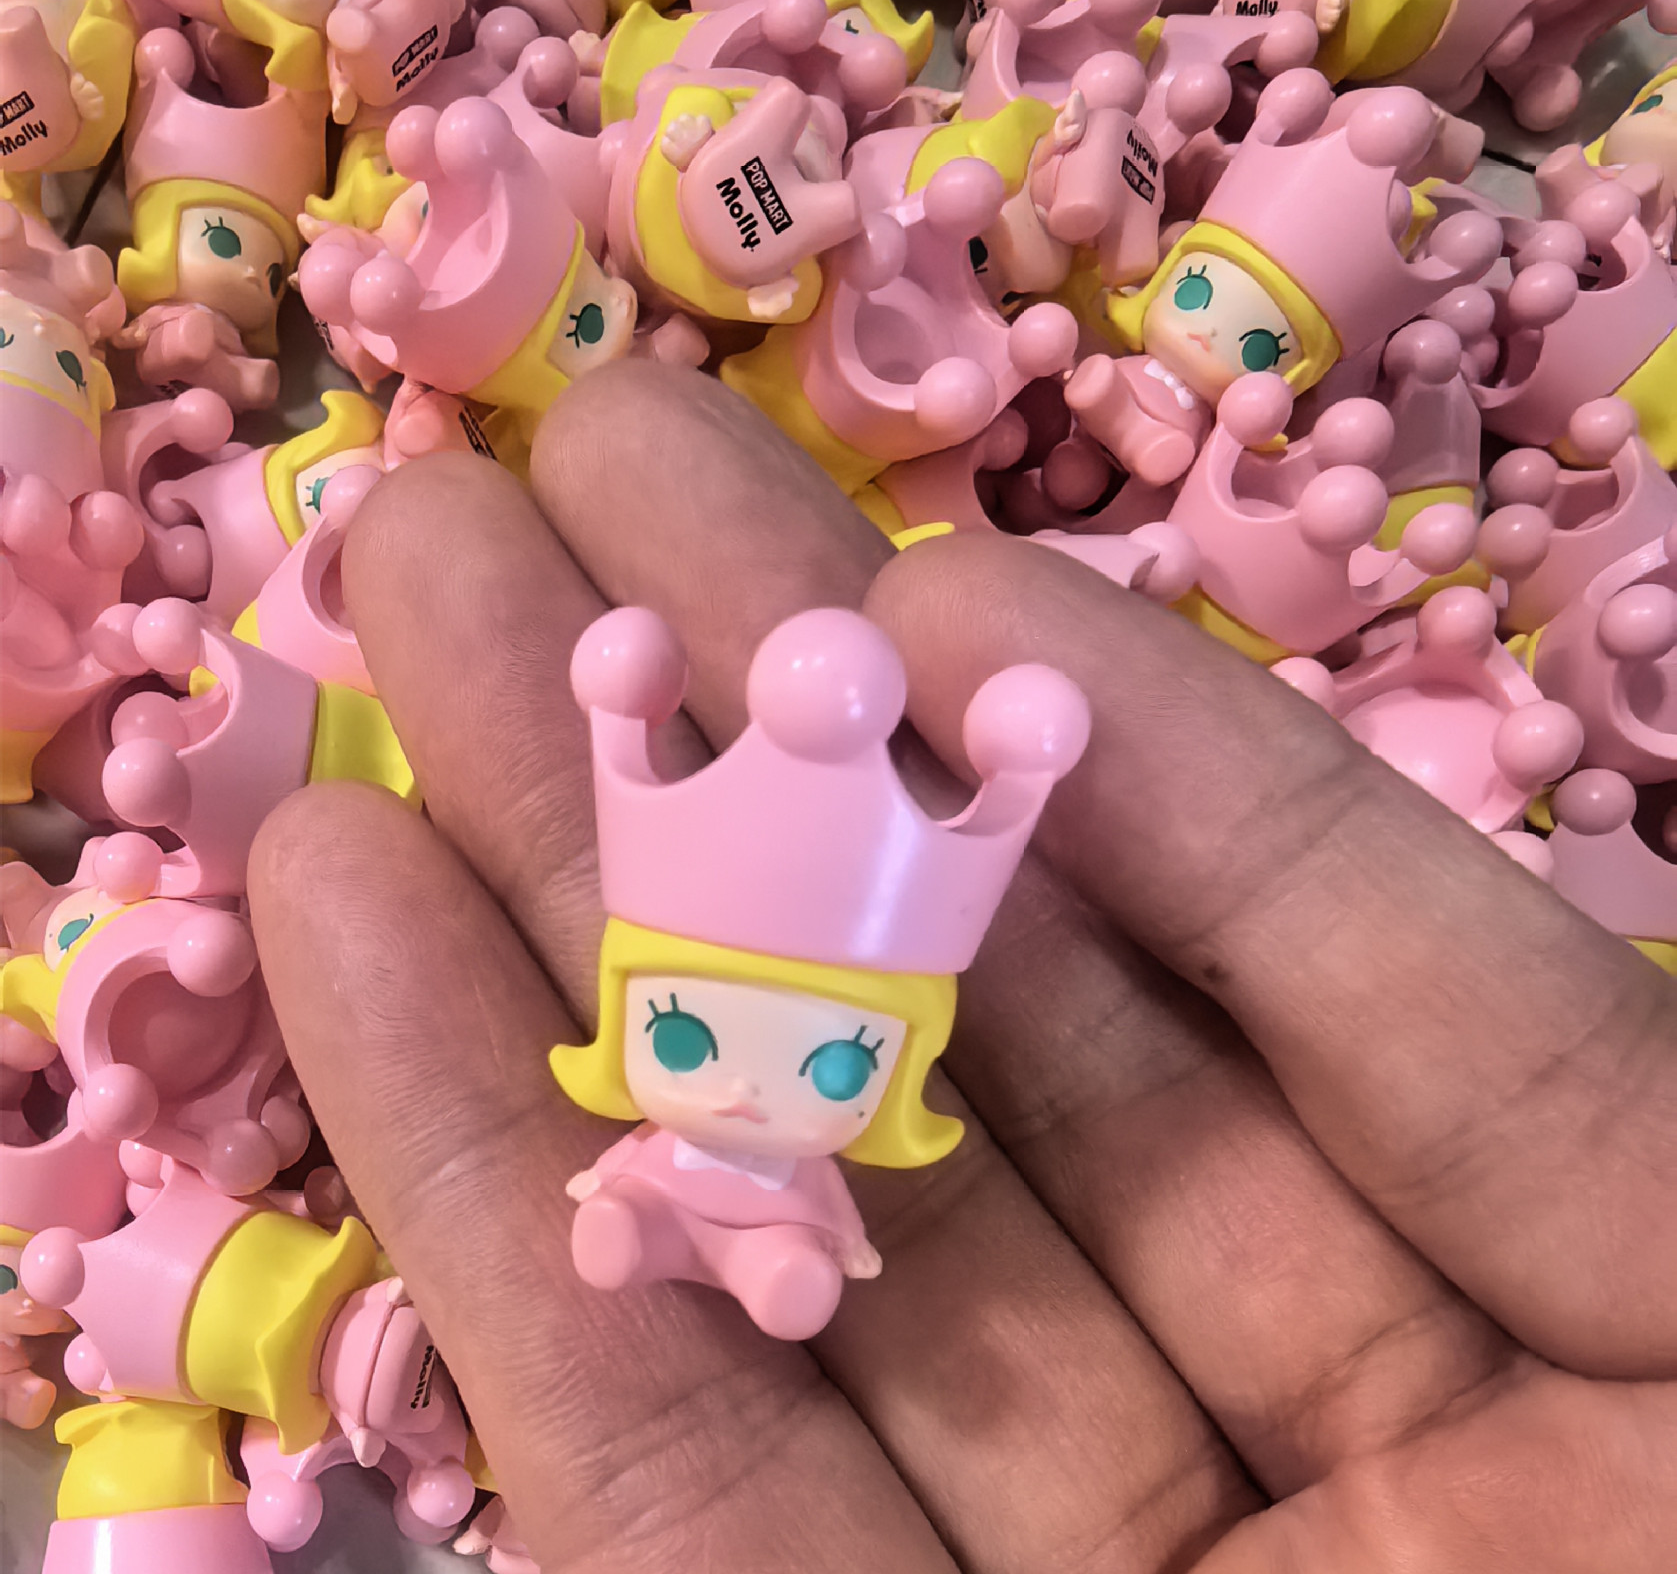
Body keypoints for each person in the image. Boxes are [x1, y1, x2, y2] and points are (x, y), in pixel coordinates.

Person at [250, 359, 1677, 1570]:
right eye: (681, 1043)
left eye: (829, 1065)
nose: (742, 1088)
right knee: (633, 1196)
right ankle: (659, 1215)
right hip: (679, 1177)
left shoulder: (817, 1127)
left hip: (787, 1218)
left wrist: (806, 1230)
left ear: (893, 1066)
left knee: (780, 1251)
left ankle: (726, 1243)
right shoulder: (709, 1077)